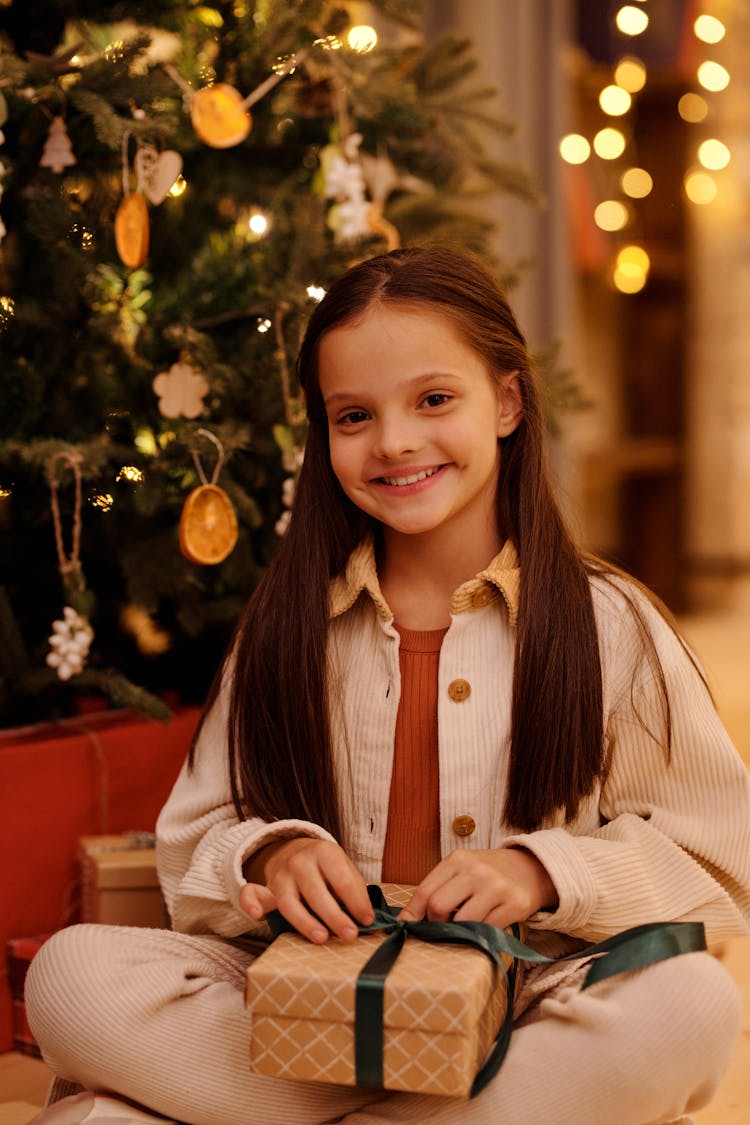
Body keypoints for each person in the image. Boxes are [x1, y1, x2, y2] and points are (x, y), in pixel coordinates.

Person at [26, 246, 750, 1125]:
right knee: (70, 976)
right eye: (354, 415)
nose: (396, 441)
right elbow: (194, 839)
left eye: (434, 399)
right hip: (308, 995)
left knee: (691, 1005)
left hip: (527, 1001)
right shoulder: (285, 623)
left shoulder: (611, 623)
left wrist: (542, 872)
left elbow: (721, 857)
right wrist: (272, 854)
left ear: (509, 401)